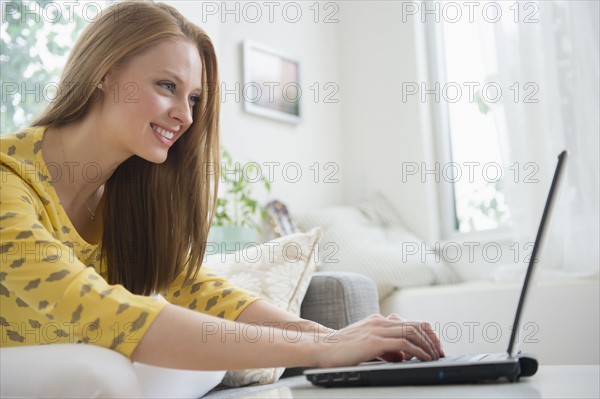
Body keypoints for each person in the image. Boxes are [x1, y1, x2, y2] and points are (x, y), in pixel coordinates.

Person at [0, 1, 443, 397]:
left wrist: (328, 336)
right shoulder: (9, 178)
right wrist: (321, 348)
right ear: (104, 73)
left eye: (193, 97)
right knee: (100, 373)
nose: (185, 116)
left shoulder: (124, 194)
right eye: (166, 86)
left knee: (197, 366)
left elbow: (193, 287)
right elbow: (91, 305)